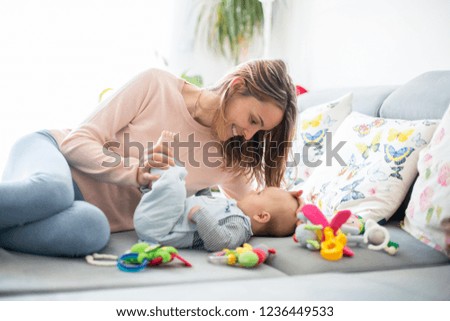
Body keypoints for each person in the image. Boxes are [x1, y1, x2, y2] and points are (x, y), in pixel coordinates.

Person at [0, 59, 298, 257]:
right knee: (54, 191)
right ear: (236, 87)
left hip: (84, 209)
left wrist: (306, 211)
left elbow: (266, 210)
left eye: (260, 131)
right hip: (52, 157)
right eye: (254, 120)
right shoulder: (156, 85)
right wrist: (134, 172)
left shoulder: (232, 160)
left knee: (93, 229)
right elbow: (77, 142)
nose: (248, 135)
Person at [134, 131, 300, 252]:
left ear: (261, 216)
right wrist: (204, 188)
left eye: (259, 194)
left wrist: (200, 215)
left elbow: (222, 242)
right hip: (161, 217)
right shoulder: (233, 207)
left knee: (175, 182)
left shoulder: (240, 225)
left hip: (162, 228)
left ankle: (158, 166)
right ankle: (153, 175)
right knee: (176, 169)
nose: (254, 190)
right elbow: (208, 202)